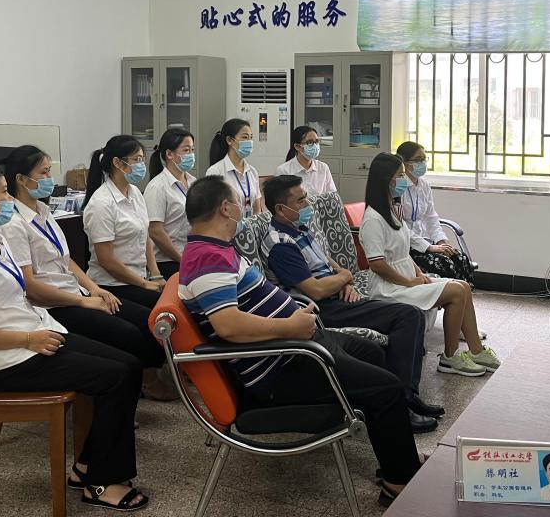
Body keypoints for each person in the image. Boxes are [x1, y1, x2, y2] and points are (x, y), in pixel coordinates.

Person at [179, 176, 425, 508]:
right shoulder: (207, 257)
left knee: (371, 352)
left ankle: (395, 454)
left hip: (296, 345)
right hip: (283, 364)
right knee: (388, 388)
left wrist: (293, 320)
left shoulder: (215, 250)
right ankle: (397, 480)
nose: (244, 210)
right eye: (239, 203)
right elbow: (228, 325)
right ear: (225, 208)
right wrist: (290, 326)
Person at [0, 164, 146, 511]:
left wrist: (38, 332)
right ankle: (101, 483)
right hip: (10, 360)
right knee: (116, 377)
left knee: (130, 365)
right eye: (3, 192)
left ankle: (87, 466)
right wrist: (28, 339)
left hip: (34, 336)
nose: (9, 199)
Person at [261, 174, 443, 434]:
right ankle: (401, 402)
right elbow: (315, 290)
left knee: (408, 316)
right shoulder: (280, 244)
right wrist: (345, 276)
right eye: (301, 201)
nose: (307, 204)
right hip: (320, 311)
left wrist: (344, 281)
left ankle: (406, 397)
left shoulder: (299, 229)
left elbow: (328, 264)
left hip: (337, 297)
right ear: (281, 209)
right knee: (407, 316)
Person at [0, 145, 172, 401]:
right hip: (52, 306)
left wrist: (94, 289)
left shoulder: (43, 211)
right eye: (43, 173)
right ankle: (134, 384)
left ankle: (137, 382)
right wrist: (83, 301)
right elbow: (30, 287)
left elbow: (66, 261)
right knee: (127, 332)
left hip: (75, 293)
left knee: (143, 320)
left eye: (49, 172)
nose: (50, 179)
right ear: (21, 180)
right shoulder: (14, 224)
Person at [359, 153, 501, 377]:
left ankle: (476, 350)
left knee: (463, 286)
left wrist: (419, 274)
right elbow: (377, 265)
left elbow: (403, 252)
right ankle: (450, 357)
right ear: (386, 179)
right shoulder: (373, 219)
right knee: (456, 292)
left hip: (405, 279)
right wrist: (408, 282)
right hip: (388, 288)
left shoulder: (392, 210)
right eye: (400, 175)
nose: (404, 180)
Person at [82, 134, 164, 310]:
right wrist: (144, 284)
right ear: (117, 163)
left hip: (138, 278)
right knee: (158, 314)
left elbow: (144, 235)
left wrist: (156, 274)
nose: (141, 165)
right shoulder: (101, 203)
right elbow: (107, 260)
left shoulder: (135, 192)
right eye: (136, 160)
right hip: (112, 284)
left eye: (142, 159)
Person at [396, 141, 476, 282]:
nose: (422, 163)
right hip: (407, 247)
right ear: (405, 163)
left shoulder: (424, 185)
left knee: (460, 257)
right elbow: (400, 227)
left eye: (424, 159)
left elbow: (431, 217)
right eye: (418, 159)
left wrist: (440, 241)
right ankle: (452, 293)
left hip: (425, 241)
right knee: (445, 263)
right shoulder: (398, 188)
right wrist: (429, 247)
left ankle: (465, 293)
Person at [144, 128, 196, 280]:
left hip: (191, 255)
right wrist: (182, 259)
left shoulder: (194, 182)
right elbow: (155, 231)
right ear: (169, 154)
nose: (191, 154)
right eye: (186, 150)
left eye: (192, 150)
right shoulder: (157, 187)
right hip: (168, 261)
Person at [206, 118, 264, 217]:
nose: (249, 142)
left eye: (251, 137)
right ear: (229, 140)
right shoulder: (215, 171)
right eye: (245, 137)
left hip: (251, 225)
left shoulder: (252, 171)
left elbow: (257, 208)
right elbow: (213, 210)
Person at [274, 125, 337, 196]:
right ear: (297, 146)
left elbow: (332, 196)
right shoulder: (284, 171)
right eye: (309, 142)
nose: (315, 146)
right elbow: (279, 199)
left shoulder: (323, 167)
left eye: (316, 141)